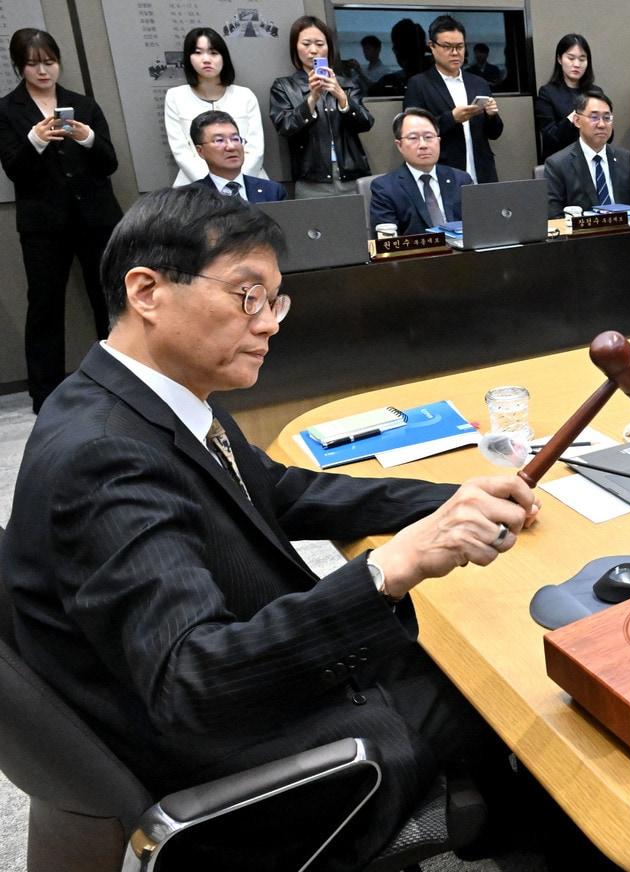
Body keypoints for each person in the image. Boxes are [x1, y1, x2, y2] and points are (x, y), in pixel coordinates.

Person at [0, 185, 542, 872]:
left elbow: (283, 490)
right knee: (511, 704)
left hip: (210, 693)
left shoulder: (149, 395)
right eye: (247, 296)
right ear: (146, 290)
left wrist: (451, 499)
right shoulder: (103, 456)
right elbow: (194, 682)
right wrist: (386, 570)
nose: (270, 323)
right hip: (225, 752)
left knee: (473, 659)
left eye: (274, 300)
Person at [0, 28, 122, 414]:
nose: (43, 71)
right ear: (19, 66)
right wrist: (35, 140)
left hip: (95, 218)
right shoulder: (7, 110)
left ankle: (123, 381)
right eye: (34, 64)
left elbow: (109, 163)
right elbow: (14, 170)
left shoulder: (82, 104)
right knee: (45, 306)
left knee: (109, 298)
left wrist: (87, 138)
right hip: (44, 224)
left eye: (49, 62)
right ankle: (44, 392)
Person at [269, 16, 374, 198]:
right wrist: (312, 99)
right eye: (306, 44)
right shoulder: (284, 86)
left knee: (359, 225)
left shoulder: (346, 84)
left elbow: (365, 123)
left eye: (319, 43)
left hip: (352, 174)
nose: (313, 50)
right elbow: (285, 127)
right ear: (295, 47)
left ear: (328, 47)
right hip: (312, 179)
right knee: (316, 226)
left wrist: (341, 96)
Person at [405, 15, 502, 184]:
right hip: (443, 171)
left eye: (460, 46)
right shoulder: (419, 84)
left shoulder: (478, 83)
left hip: (482, 170)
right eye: (447, 47)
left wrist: (492, 115)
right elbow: (412, 133)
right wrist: (452, 118)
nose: (455, 53)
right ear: (432, 47)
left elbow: (494, 133)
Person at [163, 27, 264, 186]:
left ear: (224, 57)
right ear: (188, 58)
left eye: (213, 53)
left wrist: (235, 182)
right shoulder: (175, 97)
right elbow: (181, 151)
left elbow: (255, 149)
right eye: (198, 52)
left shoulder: (245, 96)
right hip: (196, 185)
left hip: (248, 182)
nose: (206, 59)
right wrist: (215, 184)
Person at [371, 108, 473, 235]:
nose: (423, 145)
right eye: (413, 138)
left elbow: (478, 225)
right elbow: (386, 241)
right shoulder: (385, 188)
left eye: (429, 137)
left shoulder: (461, 179)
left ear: (439, 141)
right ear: (399, 145)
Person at [543, 89, 630, 218]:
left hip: (625, 232)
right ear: (576, 120)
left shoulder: (625, 158)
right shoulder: (557, 164)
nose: (602, 124)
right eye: (594, 117)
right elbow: (554, 217)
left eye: (607, 118)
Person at [185, 110, 286, 202]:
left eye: (235, 139)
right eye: (219, 140)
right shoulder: (190, 198)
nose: (231, 146)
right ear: (200, 151)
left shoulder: (272, 191)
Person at [535, 33, 594, 160]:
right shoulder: (547, 93)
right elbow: (549, 137)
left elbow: (609, 136)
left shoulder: (595, 92)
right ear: (560, 59)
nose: (577, 64)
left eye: (582, 59)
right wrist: (574, 117)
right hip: (561, 163)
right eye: (571, 58)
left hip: (592, 160)